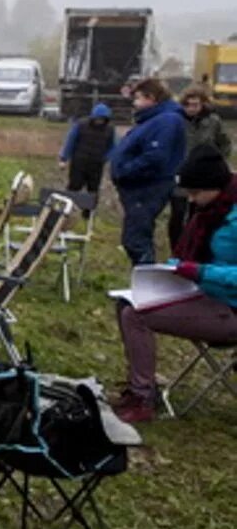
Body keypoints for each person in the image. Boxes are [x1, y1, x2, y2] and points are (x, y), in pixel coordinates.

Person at [115, 145, 237, 423]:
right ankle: (141, 385)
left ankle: (142, 398)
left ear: (216, 186)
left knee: (136, 315)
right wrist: (172, 270)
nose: (191, 201)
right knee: (127, 303)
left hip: (230, 308)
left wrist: (200, 272)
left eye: (196, 193)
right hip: (205, 295)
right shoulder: (212, 211)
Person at [109, 77, 186, 265]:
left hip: (148, 187)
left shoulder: (166, 121)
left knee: (136, 240)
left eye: (138, 98)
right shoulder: (152, 120)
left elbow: (156, 156)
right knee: (135, 237)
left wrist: (125, 171)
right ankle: (143, 281)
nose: (135, 104)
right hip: (139, 188)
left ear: (151, 98)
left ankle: (148, 281)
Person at [168, 86, 231, 250]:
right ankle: (176, 247)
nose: (191, 108)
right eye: (187, 105)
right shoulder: (176, 120)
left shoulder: (213, 121)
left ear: (202, 104)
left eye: (195, 104)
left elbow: (224, 143)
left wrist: (216, 163)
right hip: (180, 172)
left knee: (198, 214)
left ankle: (194, 246)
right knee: (177, 213)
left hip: (203, 175)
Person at [58, 102, 115, 209]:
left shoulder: (110, 130)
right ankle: (67, 209)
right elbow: (70, 141)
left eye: (102, 119)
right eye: (98, 118)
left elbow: (112, 146)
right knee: (74, 187)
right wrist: (63, 158)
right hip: (79, 162)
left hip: (96, 164)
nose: (100, 121)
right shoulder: (81, 125)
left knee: (93, 190)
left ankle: (89, 214)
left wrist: (107, 158)